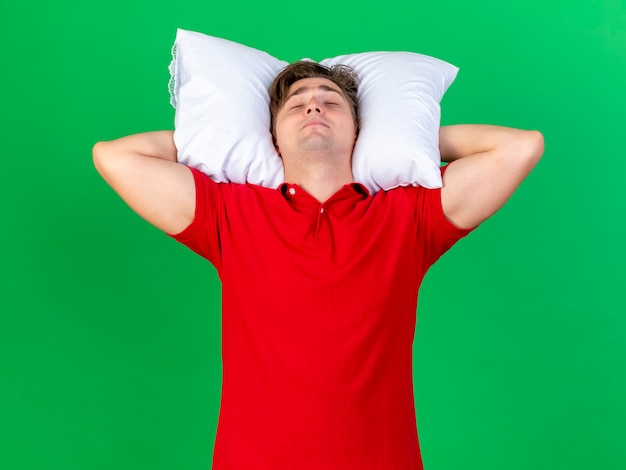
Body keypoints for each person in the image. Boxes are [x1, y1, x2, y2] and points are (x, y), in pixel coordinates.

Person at [93, 61, 544, 469]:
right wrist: (214, 138)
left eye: (331, 102)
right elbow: (113, 156)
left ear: (358, 130)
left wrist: (418, 136)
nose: (314, 108)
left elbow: (520, 148)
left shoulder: (409, 216)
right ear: (271, 136)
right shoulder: (230, 213)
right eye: (297, 105)